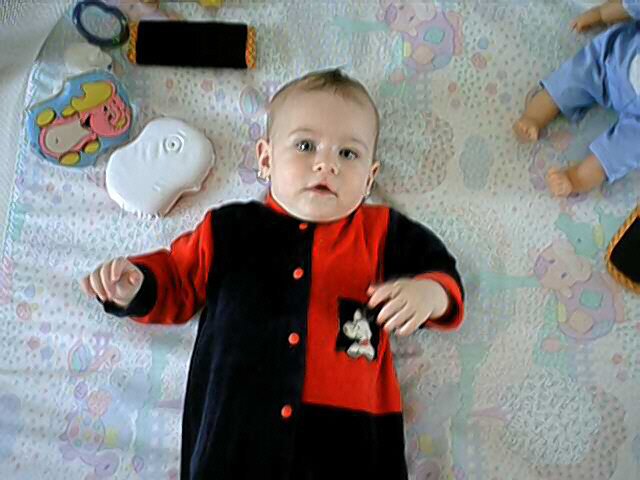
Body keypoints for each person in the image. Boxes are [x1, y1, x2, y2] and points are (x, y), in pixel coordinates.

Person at [80, 69, 465, 479]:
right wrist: (137, 286)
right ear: (266, 160)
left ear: (369, 178)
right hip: (237, 431)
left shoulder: (381, 232)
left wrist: (429, 295)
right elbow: (177, 279)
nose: (326, 164)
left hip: (351, 442)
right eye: (305, 146)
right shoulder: (229, 230)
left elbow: (440, 271)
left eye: (348, 154)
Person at [513, 0, 640, 197]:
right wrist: (600, 14)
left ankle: (576, 179)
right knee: (574, 77)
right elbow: (628, 5)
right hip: (613, 60)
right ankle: (534, 115)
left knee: (627, 149)